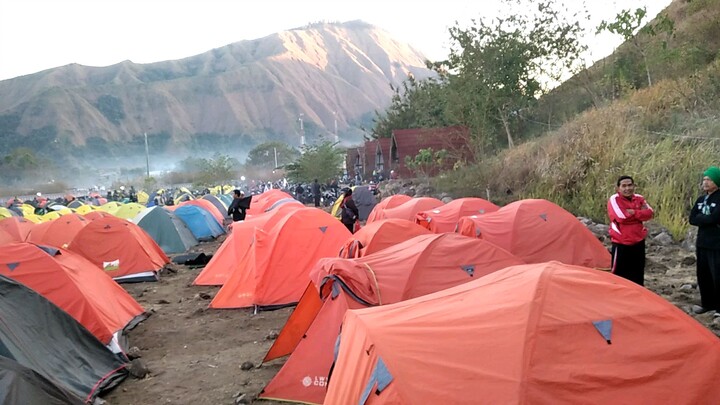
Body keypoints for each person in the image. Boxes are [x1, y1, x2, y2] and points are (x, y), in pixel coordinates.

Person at [607, 175, 654, 286]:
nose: (627, 188)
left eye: (630, 185)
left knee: (638, 274)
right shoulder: (614, 199)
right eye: (624, 186)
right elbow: (621, 217)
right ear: (618, 188)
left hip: (638, 241)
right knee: (619, 276)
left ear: (634, 186)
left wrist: (633, 212)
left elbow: (650, 213)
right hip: (621, 243)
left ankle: (637, 299)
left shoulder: (639, 198)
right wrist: (639, 214)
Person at [689, 166, 720, 315]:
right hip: (702, 242)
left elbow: (715, 217)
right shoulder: (701, 199)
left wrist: (704, 219)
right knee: (703, 274)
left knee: (717, 274)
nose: (705, 182)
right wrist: (705, 219)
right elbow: (692, 218)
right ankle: (707, 303)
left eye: (709, 179)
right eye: (705, 179)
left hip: (717, 243)